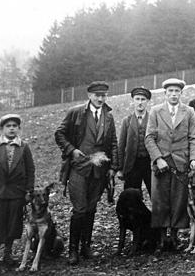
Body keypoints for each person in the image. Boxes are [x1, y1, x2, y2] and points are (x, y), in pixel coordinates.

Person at [55, 81, 118, 265]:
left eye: (103, 95)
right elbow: (59, 134)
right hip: (79, 168)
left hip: (99, 170)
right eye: (97, 95)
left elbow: (113, 142)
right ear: (89, 95)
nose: (100, 99)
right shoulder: (76, 112)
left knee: (91, 208)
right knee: (80, 209)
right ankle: (73, 250)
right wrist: (72, 150)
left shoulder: (108, 116)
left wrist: (113, 167)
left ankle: (86, 246)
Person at [145, 78, 195, 251]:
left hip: (181, 163)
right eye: (170, 91)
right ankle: (162, 239)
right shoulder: (155, 111)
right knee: (160, 200)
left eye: (177, 91)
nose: (174, 94)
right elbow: (149, 138)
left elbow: (194, 138)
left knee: (178, 200)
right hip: (161, 164)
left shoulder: (189, 112)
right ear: (165, 93)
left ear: (181, 93)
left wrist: (194, 159)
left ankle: (175, 237)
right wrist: (158, 158)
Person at [0, 114, 35, 271]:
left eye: (14, 126)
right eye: (8, 126)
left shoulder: (23, 147)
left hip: (17, 193)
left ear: (18, 129)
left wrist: (28, 191)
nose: (11, 128)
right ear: (2, 129)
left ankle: (8, 255)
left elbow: (30, 170)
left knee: (13, 224)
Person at [117, 86, 153, 196]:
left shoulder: (153, 119)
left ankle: (157, 213)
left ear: (147, 101)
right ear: (133, 101)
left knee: (156, 194)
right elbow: (121, 145)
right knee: (131, 195)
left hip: (150, 163)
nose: (140, 102)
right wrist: (120, 168)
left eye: (143, 99)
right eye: (137, 99)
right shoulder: (126, 121)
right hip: (132, 164)